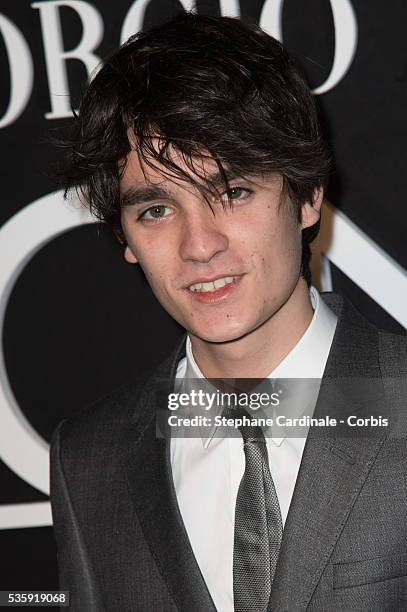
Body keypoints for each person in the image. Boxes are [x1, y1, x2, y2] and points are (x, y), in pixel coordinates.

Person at [50, 12, 407, 612]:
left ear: (308, 195)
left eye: (233, 193)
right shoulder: (89, 460)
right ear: (126, 239)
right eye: (156, 210)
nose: (200, 245)